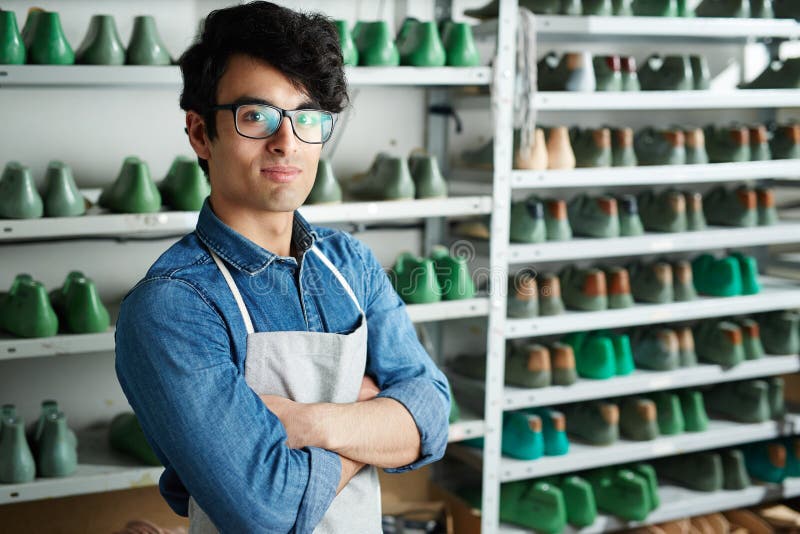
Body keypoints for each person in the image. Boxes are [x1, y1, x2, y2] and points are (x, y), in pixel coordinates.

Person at [114, 2, 450, 533]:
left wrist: (306, 422)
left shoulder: (351, 265)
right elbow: (269, 511)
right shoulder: (171, 306)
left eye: (308, 117)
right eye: (256, 116)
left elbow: (431, 416)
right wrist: (370, 422)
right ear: (202, 133)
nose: (287, 141)